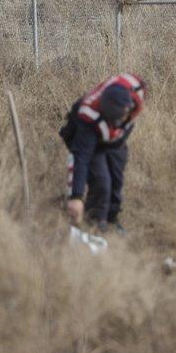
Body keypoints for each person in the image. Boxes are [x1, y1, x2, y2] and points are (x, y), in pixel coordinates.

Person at [60, 73, 147, 234]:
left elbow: (126, 124)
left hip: (115, 140)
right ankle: (95, 223)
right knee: (102, 181)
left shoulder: (136, 89)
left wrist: (116, 132)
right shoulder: (88, 117)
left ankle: (112, 220)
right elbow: (80, 159)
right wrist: (76, 196)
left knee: (116, 176)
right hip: (89, 136)